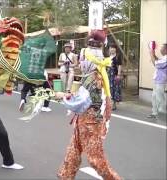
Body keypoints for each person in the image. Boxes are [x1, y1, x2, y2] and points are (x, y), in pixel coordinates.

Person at [55, 30, 121, 180]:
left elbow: (82, 102)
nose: (81, 62)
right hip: (84, 119)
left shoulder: (95, 77)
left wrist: (63, 97)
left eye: (83, 59)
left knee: (95, 159)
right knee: (74, 149)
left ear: (92, 59)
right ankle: (66, 175)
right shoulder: (90, 74)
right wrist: (68, 95)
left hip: (91, 122)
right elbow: (81, 97)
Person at [147, 43, 167, 119]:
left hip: (161, 80)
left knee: (159, 97)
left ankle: (162, 112)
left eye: (162, 48)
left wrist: (151, 54)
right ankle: (154, 113)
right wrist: (154, 54)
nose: (160, 49)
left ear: (166, 50)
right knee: (154, 96)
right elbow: (158, 60)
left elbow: (157, 64)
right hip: (157, 79)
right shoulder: (164, 57)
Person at [108, 44, 122, 110]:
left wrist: (118, 74)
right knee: (109, 89)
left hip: (115, 75)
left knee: (114, 89)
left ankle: (114, 104)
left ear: (116, 49)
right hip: (108, 75)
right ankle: (110, 103)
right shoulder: (108, 56)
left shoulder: (117, 56)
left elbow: (119, 65)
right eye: (111, 48)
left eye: (113, 48)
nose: (112, 49)